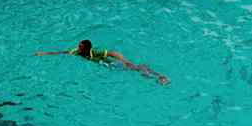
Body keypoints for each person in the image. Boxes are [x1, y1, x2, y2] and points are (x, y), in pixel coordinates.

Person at [36, 39, 169, 85]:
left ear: (88, 48)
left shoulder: (95, 52)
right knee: (138, 73)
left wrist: (125, 61)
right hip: (107, 66)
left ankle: (160, 76)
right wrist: (45, 53)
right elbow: (63, 52)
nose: (78, 49)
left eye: (81, 47)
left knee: (136, 68)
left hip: (113, 63)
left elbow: (113, 53)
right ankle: (152, 76)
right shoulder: (76, 52)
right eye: (78, 47)